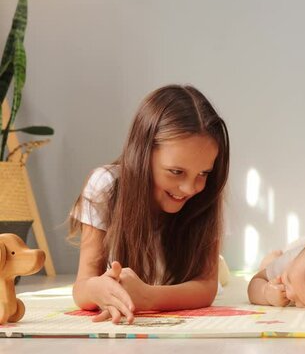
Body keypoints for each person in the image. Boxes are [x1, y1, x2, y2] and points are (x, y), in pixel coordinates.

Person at [69, 85, 230, 324]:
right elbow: (82, 287)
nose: (189, 188)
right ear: (142, 154)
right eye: (176, 171)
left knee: (223, 274)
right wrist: (97, 289)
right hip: (156, 282)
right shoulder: (106, 185)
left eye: (203, 173)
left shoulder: (205, 196)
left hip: (192, 274)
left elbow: (206, 287)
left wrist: (148, 297)